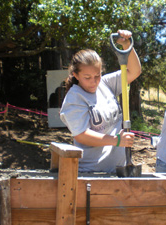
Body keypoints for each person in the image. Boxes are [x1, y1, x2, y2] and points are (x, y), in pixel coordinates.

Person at [60, 30, 141, 173]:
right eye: (87, 77)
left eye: (97, 75)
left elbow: (134, 72)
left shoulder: (105, 84)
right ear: (75, 75)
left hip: (119, 169)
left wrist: (127, 46)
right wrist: (116, 140)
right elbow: (81, 135)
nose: (94, 82)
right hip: (91, 171)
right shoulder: (74, 98)